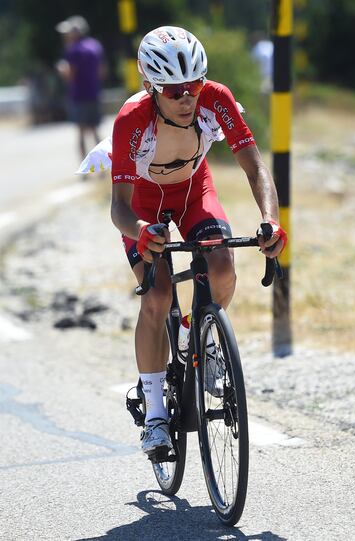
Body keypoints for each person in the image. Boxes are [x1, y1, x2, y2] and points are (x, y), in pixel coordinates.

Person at [78, 26, 287, 455]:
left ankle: (199, 335)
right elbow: (118, 207)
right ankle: (155, 414)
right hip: (142, 207)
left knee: (223, 266)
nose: (187, 97)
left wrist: (270, 221)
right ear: (151, 88)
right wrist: (140, 232)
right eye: (174, 91)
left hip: (195, 193)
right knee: (157, 293)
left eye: (193, 85)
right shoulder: (131, 121)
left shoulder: (217, 100)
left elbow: (255, 168)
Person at [55, 15, 106, 160]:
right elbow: (101, 72)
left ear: (75, 32)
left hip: (79, 96)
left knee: (81, 133)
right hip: (94, 93)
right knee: (96, 131)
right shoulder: (95, 45)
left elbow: (71, 75)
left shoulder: (72, 50)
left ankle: (85, 169)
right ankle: (104, 166)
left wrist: (61, 70)